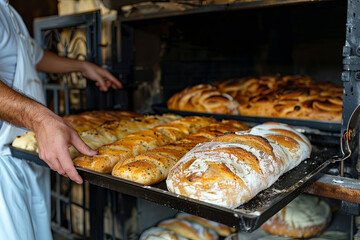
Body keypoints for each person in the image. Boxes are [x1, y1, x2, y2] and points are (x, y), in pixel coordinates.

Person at [0, 1, 122, 239]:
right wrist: (40, 119)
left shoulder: (7, 8)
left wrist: (81, 66)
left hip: (27, 152)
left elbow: (31, 56)